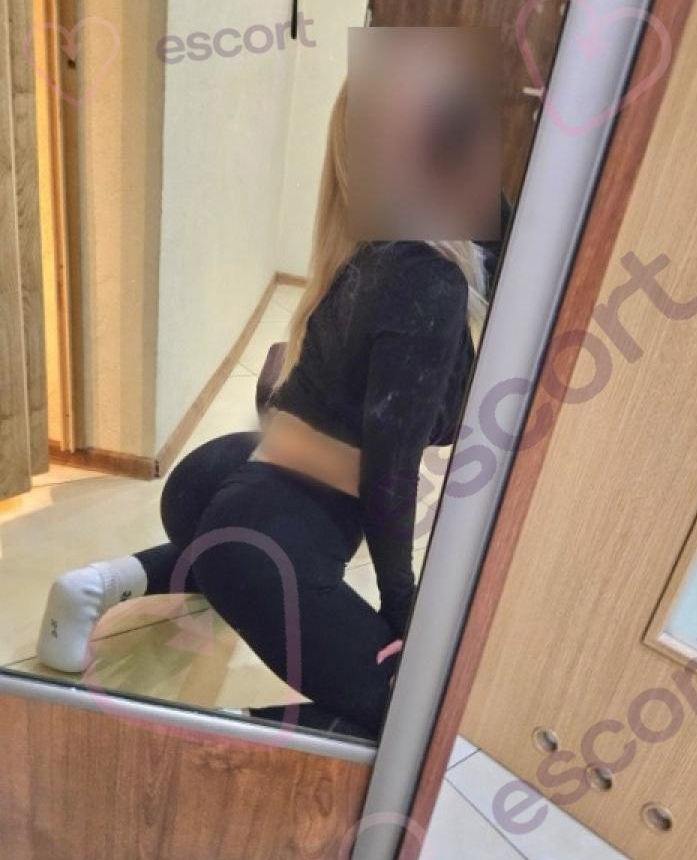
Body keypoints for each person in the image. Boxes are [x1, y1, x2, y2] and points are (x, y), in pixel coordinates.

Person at [36, 84, 488, 740]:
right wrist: (401, 603)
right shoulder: (431, 281)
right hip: (267, 525)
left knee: (234, 563)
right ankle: (212, 741)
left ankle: (101, 583)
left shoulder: (369, 251)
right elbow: (388, 475)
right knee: (410, 707)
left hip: (225, 476)